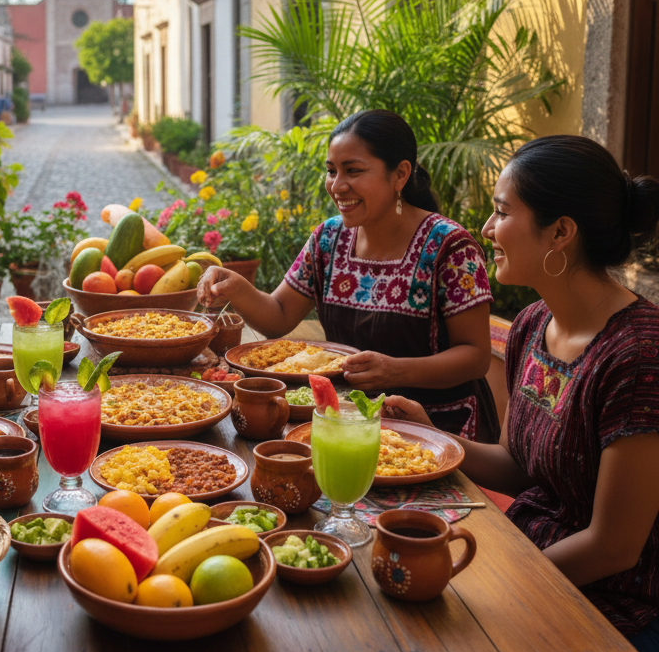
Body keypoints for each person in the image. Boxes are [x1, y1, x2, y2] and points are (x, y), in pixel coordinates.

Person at [384, 135, 659, 652]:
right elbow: (516, 464)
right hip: (526, 551)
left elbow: (614, 547)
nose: (486, 229)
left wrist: (491, 582)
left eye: (501, 211)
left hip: (615, 606)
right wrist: (426, 436)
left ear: (560, 233)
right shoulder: (533, 325)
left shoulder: (640, 355)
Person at [197, 109, 498, 441]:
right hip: (349, 418)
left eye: (353, 171)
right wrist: (236, 287)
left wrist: (395, 371)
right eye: (331, 171)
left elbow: (475, 357)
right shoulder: (329, 239)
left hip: (438, 427)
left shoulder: (450, 247)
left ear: (400, 174)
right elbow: (279, 316)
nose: (337, 186)